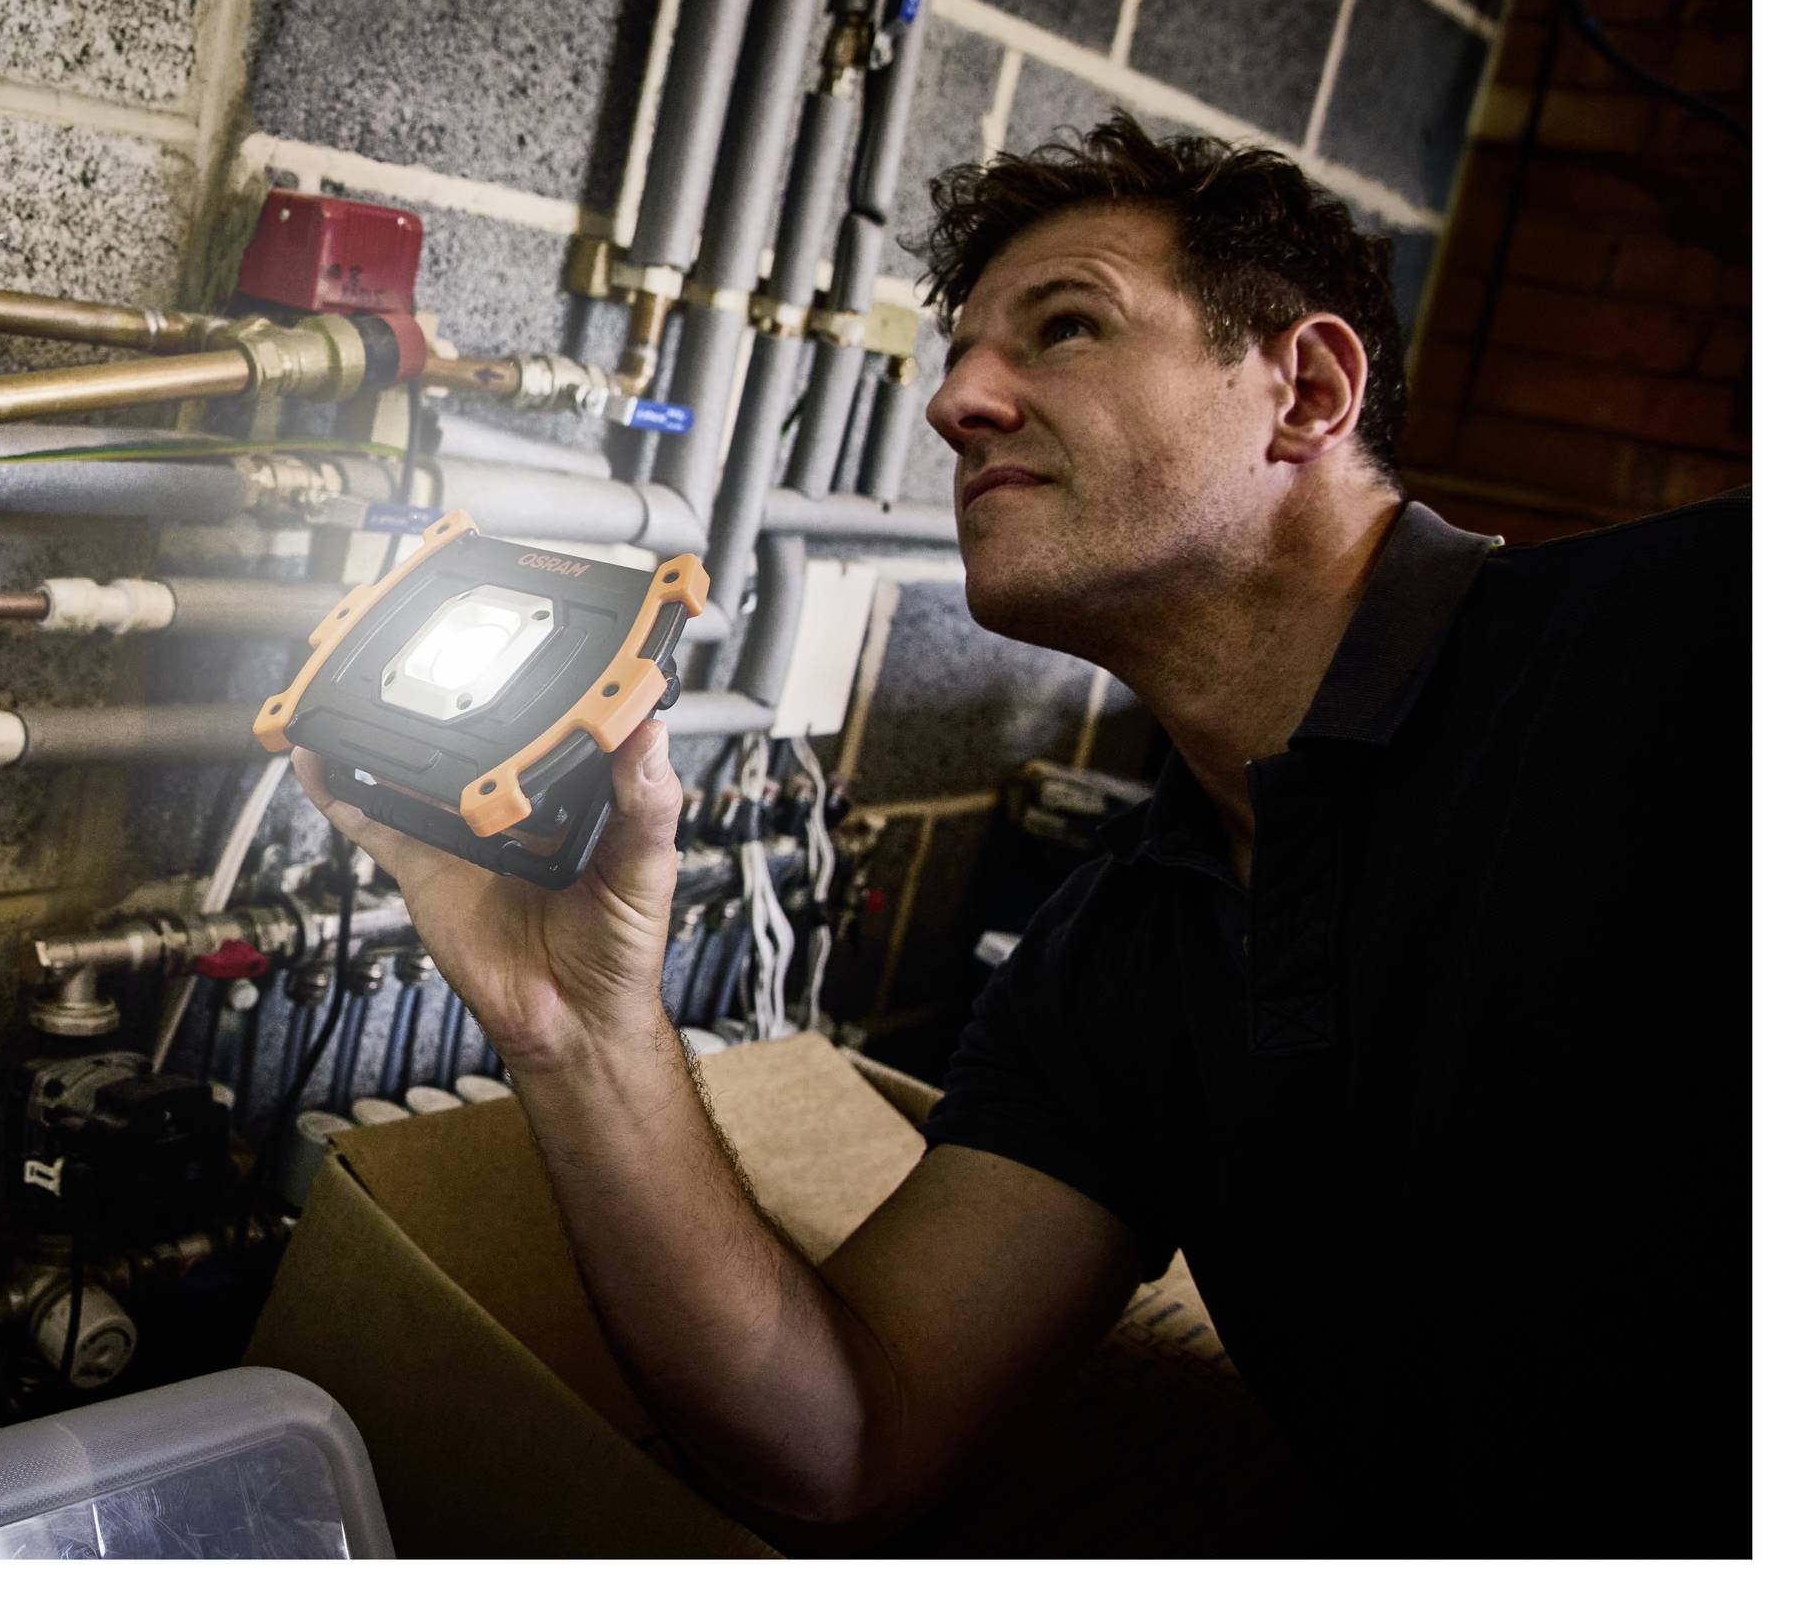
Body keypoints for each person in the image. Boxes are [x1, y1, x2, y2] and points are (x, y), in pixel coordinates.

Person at [293, 115, 1749, 1555]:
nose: (957, 402)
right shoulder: (1117, 963)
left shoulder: (1700, 640)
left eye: (1065, 327)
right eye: (958, 356)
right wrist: (582, 1026)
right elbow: (845, 1438)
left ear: (1306, 391)